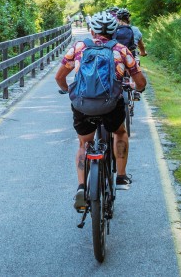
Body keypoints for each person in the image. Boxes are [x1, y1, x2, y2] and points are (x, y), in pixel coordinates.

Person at [55, 11, 147, 209]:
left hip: (82, 105)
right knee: (120, 132)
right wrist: (138, 88)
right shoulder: (121, 50)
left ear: (91, 31)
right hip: (110, 105)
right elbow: (139, 80)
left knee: (83, 144)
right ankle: (121, 177)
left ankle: (81, 186)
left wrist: (65, 90)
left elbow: (59, 77)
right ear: (114, 31)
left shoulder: (78, 47)